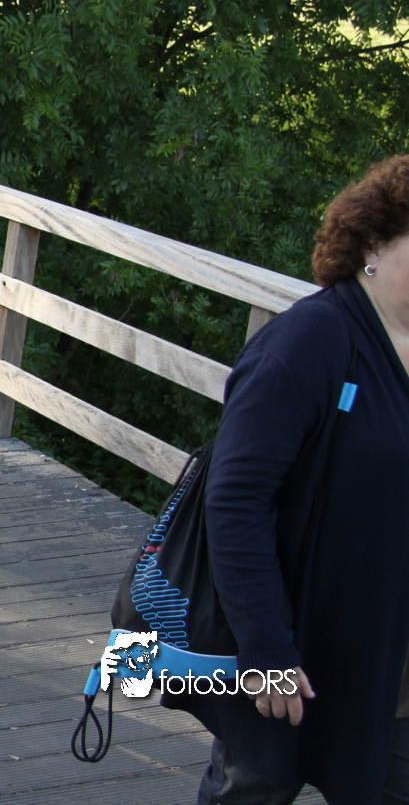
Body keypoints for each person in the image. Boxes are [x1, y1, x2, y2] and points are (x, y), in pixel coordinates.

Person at [164, 155, 409, 804]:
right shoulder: (309, 340)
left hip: (388, 655)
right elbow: (235, 498)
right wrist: (266, 647)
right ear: (373, 244)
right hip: (294, 641)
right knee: (255, 787)